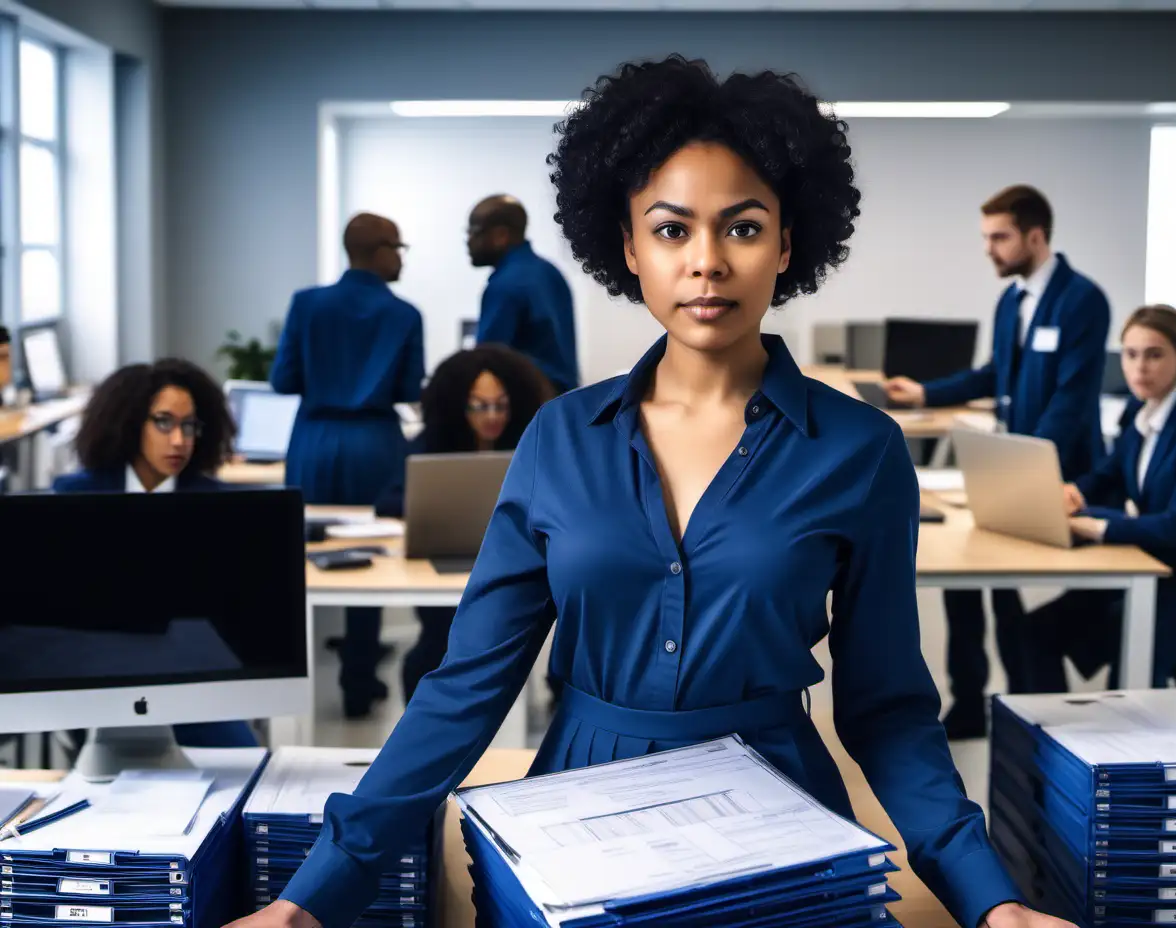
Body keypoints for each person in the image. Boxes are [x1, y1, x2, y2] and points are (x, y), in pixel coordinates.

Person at [227, 57, 1068, 928]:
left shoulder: (860, 450)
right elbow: (465, 685)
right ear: (628, 247)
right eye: (672, 231)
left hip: (783, 826)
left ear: (787, 244)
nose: (706, 262)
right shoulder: (558, 438)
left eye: (742, 229)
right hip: (575, 819)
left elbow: (889, 709)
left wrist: (990, 900)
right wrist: (311, 899)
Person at [884, 185, 1111, 740]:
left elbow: (1072, 402)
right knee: (972, 578)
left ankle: (1025, 708)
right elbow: (992, 376)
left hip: (1065, 475)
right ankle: (970, 700)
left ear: (1035, 235)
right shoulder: (1011, 300)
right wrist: (925, 394)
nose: (989, 249)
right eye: (986, 237)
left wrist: (1026, 465)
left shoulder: (1082, 300)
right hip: (1015, 466)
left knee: (1013, 593)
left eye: (1000, 237)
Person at [1023, 305, 1176, 691]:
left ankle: (1129, 747)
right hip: (1152, 561)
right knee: (1036, 632)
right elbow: (1109, 473)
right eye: (1131, 354)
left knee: (1132, 651)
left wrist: (1097, 525)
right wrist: (1074, 492)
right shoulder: (1140, 410)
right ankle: (1050, 747)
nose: (1139, 368)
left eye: (1154, 355)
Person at [51, 358, 257, 749]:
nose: (179, 440)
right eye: (164, 422)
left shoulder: (217, 504)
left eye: (189, 425)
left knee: (244, 762)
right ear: (130, 423)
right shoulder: (76, 495)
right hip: (99, 675)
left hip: (193, 676)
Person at [271, 212, 426, 720]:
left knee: (296, 552)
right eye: (398, 247)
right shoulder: (404, 315)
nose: (401, 257)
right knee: (373, 553)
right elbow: (407, 391)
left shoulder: (306, 304)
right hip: (374, 441)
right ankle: (358, 683)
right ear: (377, 250)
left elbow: (282, 380)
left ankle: (290, 683)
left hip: (313, 438)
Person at [373, 344, 553, 705]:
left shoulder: (532, 443)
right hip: (442, 563)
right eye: (479, 405)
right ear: (457, 404)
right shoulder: (431, 443)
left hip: (517, 561)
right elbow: (388, 500)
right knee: (437, 642)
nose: (492, 416)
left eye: (501, 405)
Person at [467, 194, 579, 394]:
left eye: (474, 232)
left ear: (500, 235)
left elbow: (487, 359)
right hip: (558, 401)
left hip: (525, 404)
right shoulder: (550, 273)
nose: (469, 241)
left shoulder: (505, 285)